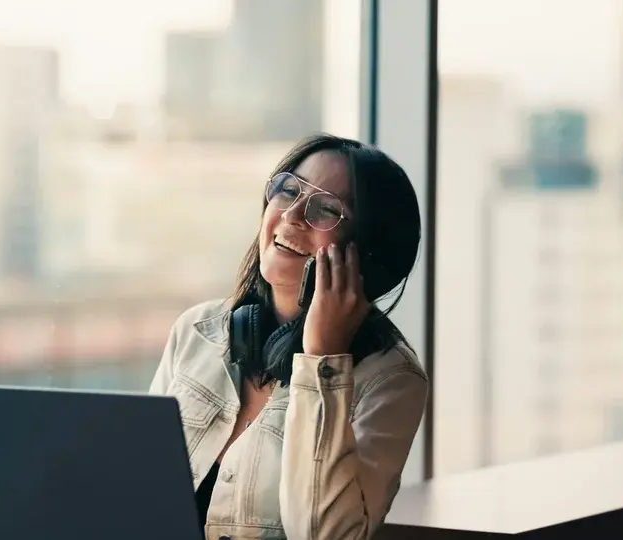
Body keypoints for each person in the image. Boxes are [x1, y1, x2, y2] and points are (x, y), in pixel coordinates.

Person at [150, 133, 428, 540]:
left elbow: (326, 535)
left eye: (327, 209)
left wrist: (323, 359)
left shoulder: (391, 380)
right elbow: (135, 486)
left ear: (368, 251)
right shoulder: (197, 331)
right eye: (288, 190)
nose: (293, 215)